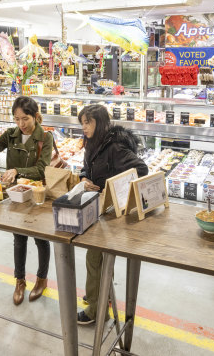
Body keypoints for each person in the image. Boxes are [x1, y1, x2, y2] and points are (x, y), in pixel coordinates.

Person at [0, 96, 53, 305]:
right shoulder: (10, 135)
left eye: (25, 119)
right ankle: (20, 281)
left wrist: (17, 170)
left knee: (41, 239)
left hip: (37, 194)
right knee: (19, 238)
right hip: (15, 195)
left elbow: (41, 170)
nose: (21, 124)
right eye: (17, 119)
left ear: (36, 116)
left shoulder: (45, 138)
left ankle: (41, 279)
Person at [76, 104, 148, 325]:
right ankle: (97, 294)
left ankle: (96, 311)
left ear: (100, 123)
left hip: (112, 212)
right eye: (82, 123)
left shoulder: (114, 147)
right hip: (97, 207)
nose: (84, 127)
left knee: (96, 258)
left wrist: (113, 188)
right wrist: (83, 178)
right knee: (95, 257)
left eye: (88, 122)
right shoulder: (94, 143)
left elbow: (141, 170)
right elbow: (86, 167)